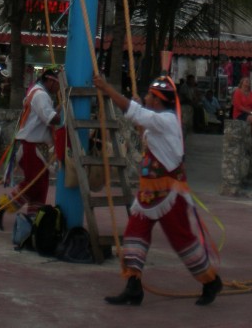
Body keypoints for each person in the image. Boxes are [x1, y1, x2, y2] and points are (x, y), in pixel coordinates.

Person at [92, 72, 222, 307]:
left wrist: (107, 89)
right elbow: (142, 124)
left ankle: (210, 281)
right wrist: (139, 109)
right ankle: (133, 285)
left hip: (169, 193)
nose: (146, 97)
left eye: (150, 95)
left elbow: (139, 115)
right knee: (134, 233)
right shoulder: (159, 120)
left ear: (158, 100)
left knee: (182, 240)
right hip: (149, 192)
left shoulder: (168, 120)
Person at [0, 66, 61, 230]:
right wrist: (65, 118)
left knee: (40, 185)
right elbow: (50, 118)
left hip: (32, 145)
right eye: (57, 84)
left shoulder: (36, 92)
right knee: (33, 183)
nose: (58, 89)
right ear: (50, 81)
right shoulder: (41, 95)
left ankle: (32, 223)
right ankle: (1, 206)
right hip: (31, 145)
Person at [231, 76, 252, 147]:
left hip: (250, 113)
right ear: (242, 83)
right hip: (240, 113)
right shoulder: (238, 92)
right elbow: (238, 106)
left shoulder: (251, 93)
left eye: (248, 82)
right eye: (246, 81)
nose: (247, 83)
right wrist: (251, 112)